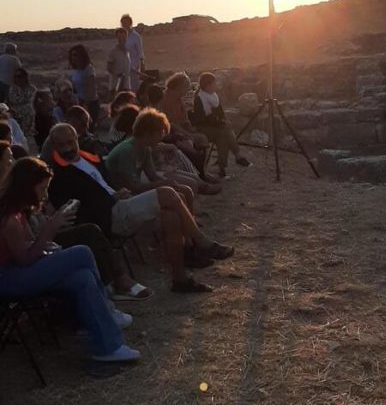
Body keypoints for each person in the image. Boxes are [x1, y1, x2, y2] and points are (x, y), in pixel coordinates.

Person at [48, 123, 234, 292]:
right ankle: (202, 242)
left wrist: (118, 191)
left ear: (76, 139)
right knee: (167, 193)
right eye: (61, 144)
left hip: (121, 203)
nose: (67, 148)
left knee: (172, 216)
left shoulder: (87, 158)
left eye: (70, 142)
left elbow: (108, 183)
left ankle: (180, 279)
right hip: (109, 216)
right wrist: (111, 198)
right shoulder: (57, 176)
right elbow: (77, 213)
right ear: (54, 146)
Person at [0, 157, 141, 362]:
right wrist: (50, 230)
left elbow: (30, 246)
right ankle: (108, 312)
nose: (45, 195)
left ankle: (107, 347)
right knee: (82, 252)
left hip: (19, 271)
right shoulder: (8, 219)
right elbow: (24, 260)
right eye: (42, 189)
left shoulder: (19, 212)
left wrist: (48, 245)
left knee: (82, 277)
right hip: (9, 278)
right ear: (26, 187)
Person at [191, 72, 251, 176]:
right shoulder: (199, 98)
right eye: (214, 83)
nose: (216, 85)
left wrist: (222, 121)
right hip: (203, 127)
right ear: (207, 85)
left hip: (215, 125)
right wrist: (219, 122)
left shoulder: (214, 96)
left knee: (223, 134)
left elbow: (220, 113)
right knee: (224, 131)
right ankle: (237, 156)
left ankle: (222, 167)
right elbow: (200, 119)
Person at [68, 44, 100, 126]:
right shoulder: (75, 70)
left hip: (90, 103)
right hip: (79, 101)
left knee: (88, 128)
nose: (73, 57)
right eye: (72, 55)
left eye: (75, 55)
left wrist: (86, 105)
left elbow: (91, 88)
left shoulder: (88, 69)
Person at [8, 68, 36, 140]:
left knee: (30, 109)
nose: (18, 78)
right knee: (28, 108)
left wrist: (24, 100)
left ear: (25, 77)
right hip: (16, 110)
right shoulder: (13, 89)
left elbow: (33, 99)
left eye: (19, 76)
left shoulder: (31, 88)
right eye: (16, 76)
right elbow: (14, 100)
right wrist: (25, 100)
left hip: (29, 109)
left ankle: (29, 132)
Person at [120, 14, 145, 92]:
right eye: (122, 23)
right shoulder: (121, 36)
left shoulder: (136, 37)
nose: (124, 25)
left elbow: (140, 52)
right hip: (123, 67)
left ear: (130, 23)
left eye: (126, 23)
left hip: (134, 67)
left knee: (134, 88)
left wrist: (142, 65)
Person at [107, 28, 131, 99]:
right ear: (117, 38)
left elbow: (127, 67)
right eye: (120, 37)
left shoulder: (127, 52)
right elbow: (109, 68)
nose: (122, 39)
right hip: (116, 86)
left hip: (126, 85)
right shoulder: (113, 52)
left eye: (124, 37)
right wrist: (118, 75)